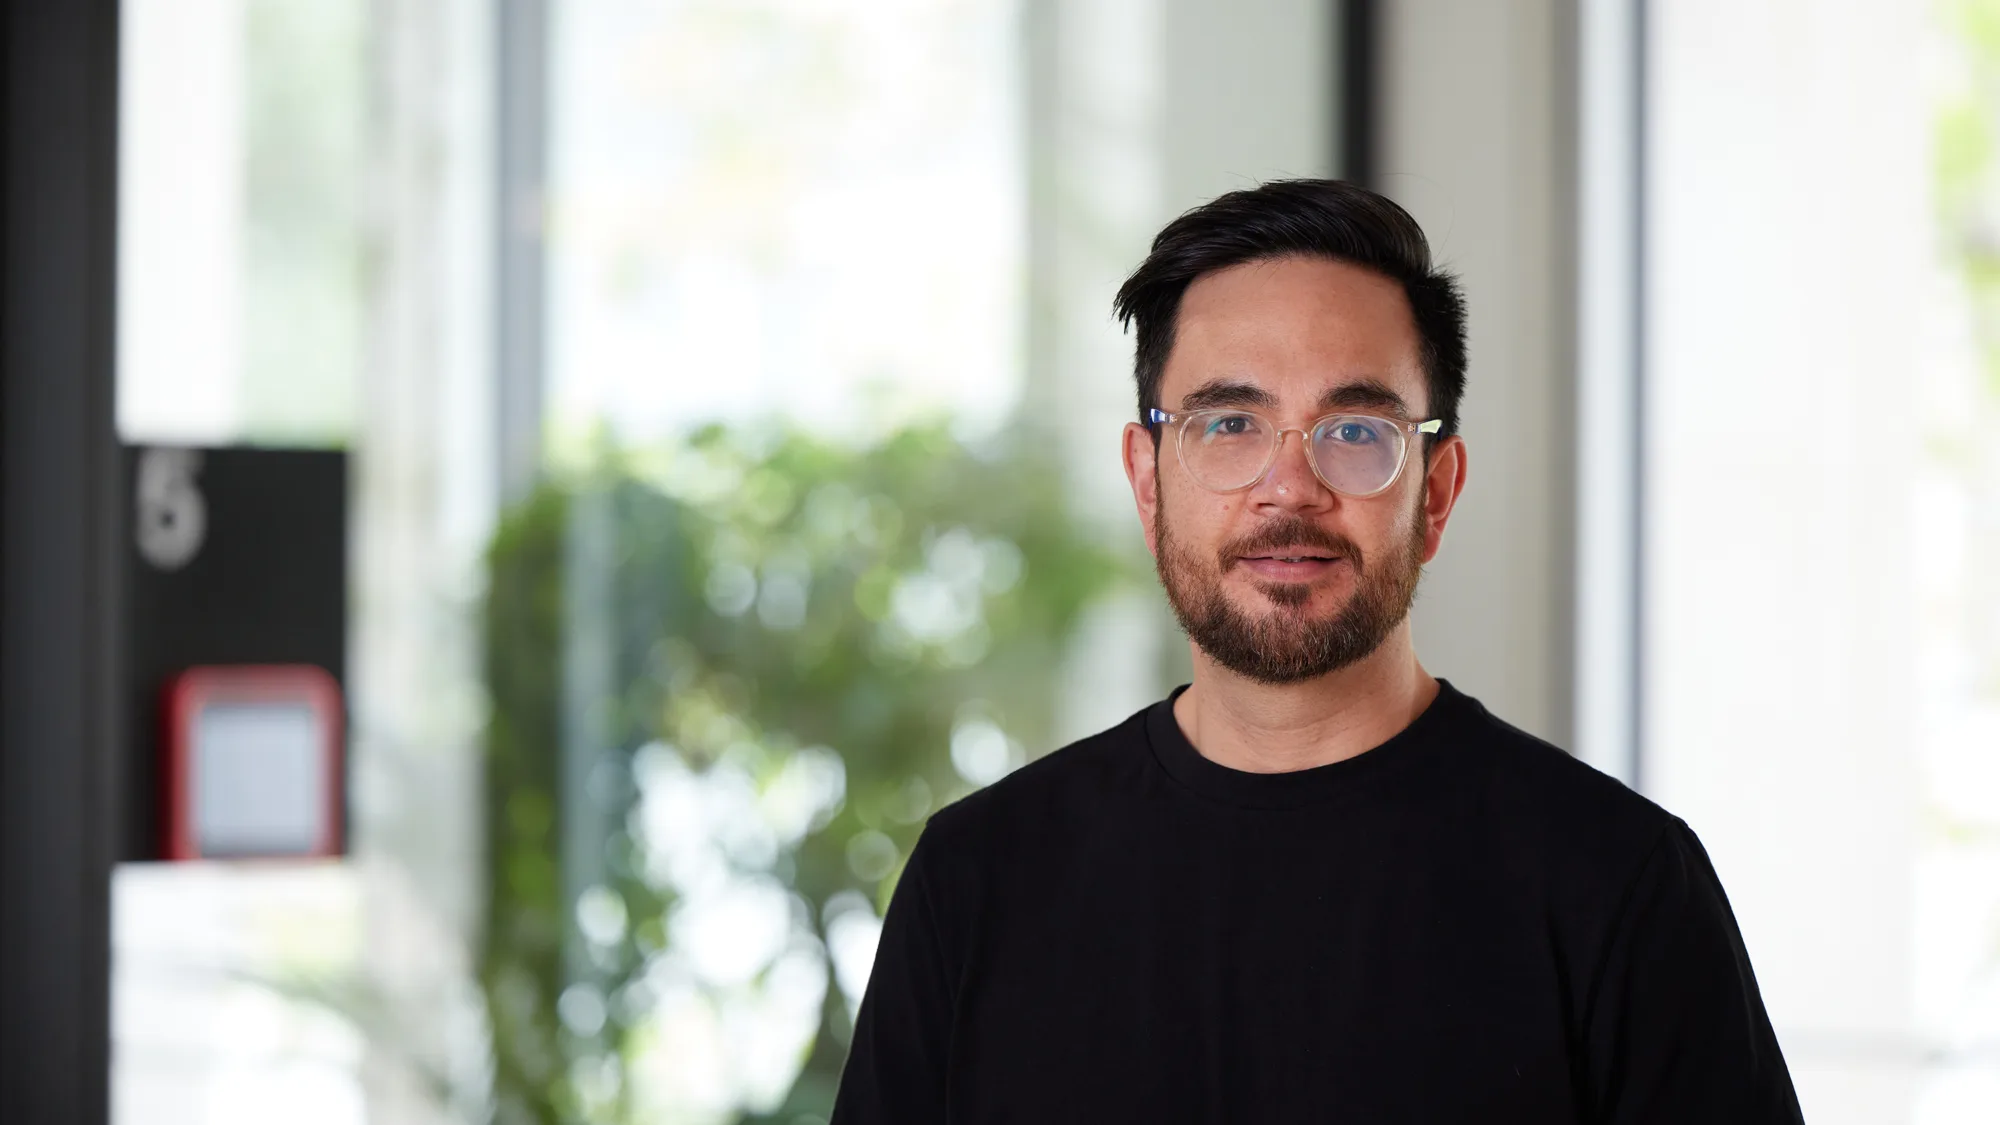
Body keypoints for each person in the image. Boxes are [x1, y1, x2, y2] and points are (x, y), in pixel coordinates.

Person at [827, 179, 1803, 1123]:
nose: (1286, 488)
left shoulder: (1618, 884)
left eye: (1352, 430)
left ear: (1435, 490)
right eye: (1227, 424)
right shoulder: (978, 882)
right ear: (1145, 478)